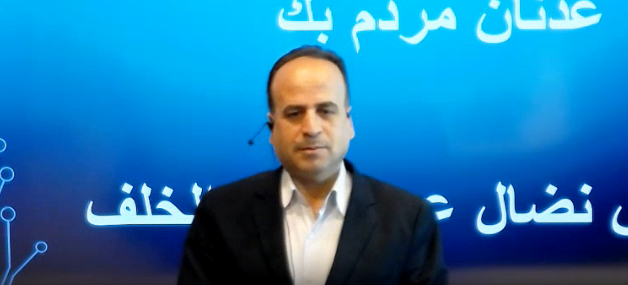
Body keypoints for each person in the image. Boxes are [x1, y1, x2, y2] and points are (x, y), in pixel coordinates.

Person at [178, 45, 448, 285]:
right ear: (272, 128)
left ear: (349, 122)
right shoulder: (220, 213)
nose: (311, 128)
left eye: (325, 111)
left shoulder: (409, 219)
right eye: (295, 113)